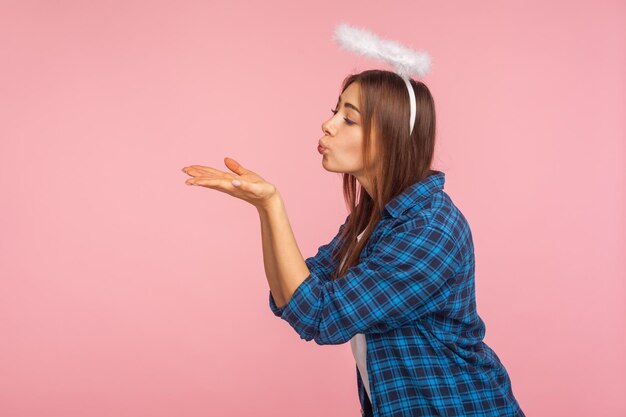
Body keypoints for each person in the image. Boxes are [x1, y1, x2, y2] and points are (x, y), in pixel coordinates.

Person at [182, 69, 525, 417]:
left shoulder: (429, 229)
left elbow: (320, 315)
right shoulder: (374, 217)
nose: (327, 125)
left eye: (349, 119)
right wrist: (265, 205)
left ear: (391, 138)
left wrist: (272, 206)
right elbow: (296, 293)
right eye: (335, 113)